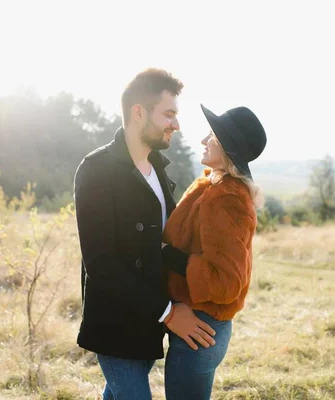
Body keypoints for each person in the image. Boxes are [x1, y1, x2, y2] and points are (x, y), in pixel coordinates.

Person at [73, 68, 216, 400]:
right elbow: (100, 262)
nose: (176, 125)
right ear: (138, 113)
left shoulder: (159, 170)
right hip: (117, 324)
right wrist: (168, 312)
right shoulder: (96, 170)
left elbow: (163, 246)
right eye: (168, 114)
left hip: (150, 323)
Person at [161, 104, 267, 400]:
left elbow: (226, 282)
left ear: (226, 146)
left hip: (201, 327)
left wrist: (166, 255)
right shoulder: (212, 185)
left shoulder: (226, 199)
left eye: (211, 135)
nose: (203, 140)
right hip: (198, 322)